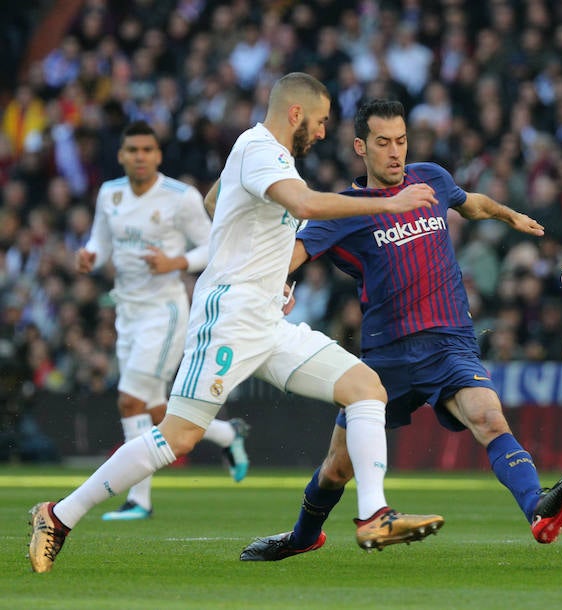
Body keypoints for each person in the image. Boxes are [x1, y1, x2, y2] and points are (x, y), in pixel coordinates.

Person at [28, 73, 443, 574]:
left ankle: (374, 515)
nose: (322, 130)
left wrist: (268, 274)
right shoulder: (260, 148)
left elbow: (212, 203)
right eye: (320, 121)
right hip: (228, 319)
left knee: (366, 388)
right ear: (296, 114)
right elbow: (306, 204)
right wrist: (389, 202)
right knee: (176, 438)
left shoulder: (259, 153)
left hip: (265, 316)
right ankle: (59, 514)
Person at [239, 99, 562, 562]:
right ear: (361, 147)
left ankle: (538, 510)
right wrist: (278, 283)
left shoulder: (432, 178)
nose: (395, 152)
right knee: (338, 468)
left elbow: (470, 203)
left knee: (488, 417)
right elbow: (297, 253)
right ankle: (304, 535)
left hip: (451, 341)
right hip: (388, 357)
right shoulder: (347, 208)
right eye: (383, 143)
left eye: (401, 141)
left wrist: (508, 216)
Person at [75, 120, 251, 521]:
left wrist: (177, 262)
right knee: (156, 409)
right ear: (121, 155)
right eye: (132, 150)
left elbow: (212, 246)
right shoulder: (110, 194)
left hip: (166, 310)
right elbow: (101, 242)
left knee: (130, 398)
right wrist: (90, 256)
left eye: (147, 150)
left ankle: (140, 499)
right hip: (128, 311)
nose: (140, 156)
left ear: (158, 155)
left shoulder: (180, 197)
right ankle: (227, 434)